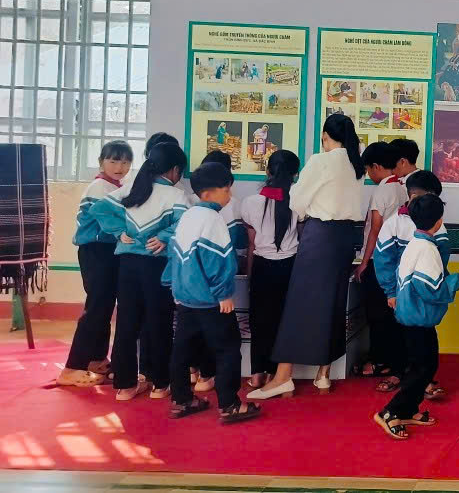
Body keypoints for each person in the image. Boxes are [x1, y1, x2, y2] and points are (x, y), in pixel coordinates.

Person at [249, 113, 367, 400]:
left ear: (325, 135)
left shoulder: (320, 160)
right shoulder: (356, 165)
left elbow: (297, 201)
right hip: (345, 238)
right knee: (333, 304)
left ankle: (282, 378)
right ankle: (323, 375)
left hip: (321, 236)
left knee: (299, 304)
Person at [164, 162, 262, 424]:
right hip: (211, 301)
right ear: (208, 193)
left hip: (185, 299)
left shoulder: (187, 217)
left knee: (182, 351)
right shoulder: (213, 219)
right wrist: (223, 294)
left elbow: (173, 256)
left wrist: (175, 288)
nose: (230, 196)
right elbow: (218, 261)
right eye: (226, 190)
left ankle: (182, 400)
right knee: (227, 349)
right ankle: (230, 405)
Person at [89, 142, 189, 401]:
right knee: (159, 323)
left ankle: (125, 386)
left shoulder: (132, 187)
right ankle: (160, 385)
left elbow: (97, 209)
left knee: (127, 323)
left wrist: (120, 232)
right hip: (157, 265)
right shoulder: (176, 195)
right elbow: (186, 224)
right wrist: (165, 236)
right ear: (175, 170)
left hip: (127, 264)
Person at [372, 194, 459, 439]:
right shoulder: (428, 249)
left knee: (424, 365)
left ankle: (408, 410)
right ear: (439, 221)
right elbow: (431, 289)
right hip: (418, 317)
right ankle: (391, 412)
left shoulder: (415, 243)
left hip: (412, 315)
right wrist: (457, 281)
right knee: (423, 368)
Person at [57, 140, 134, 387]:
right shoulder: (100, 187)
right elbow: (110, 220)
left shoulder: (114, 186)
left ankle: (96, 360)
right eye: (113, 161)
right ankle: (72, 367)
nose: (119, 167)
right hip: (96, 251)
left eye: (125, 162)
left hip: (106, 251)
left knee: (104, 306)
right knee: (97, 307)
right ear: (102, 162)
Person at [374, 169, 450, 402]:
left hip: (424, 298)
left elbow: (441, 262)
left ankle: (424, 380)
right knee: (398, 334)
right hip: (400, 294)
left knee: (425, 338)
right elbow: (383, 260)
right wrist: (391, 292)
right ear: (415, 196)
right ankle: (399, 374)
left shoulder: (438, 227)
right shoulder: (393, 223)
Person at [240, 150, 301, 390]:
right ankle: (278, 375)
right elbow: (302, 238)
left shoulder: (250, 203)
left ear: (267, 171)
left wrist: (250, 275)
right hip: (290, 267)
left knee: (259, 321)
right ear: (295, 174)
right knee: (284, 321)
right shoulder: (299, 202)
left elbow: (251, 244)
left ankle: (257, 374)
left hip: (262, 266)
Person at [356, 142, 409, 392]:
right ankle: (394, 362)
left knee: (377, 315)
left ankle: (380, 361)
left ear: (376, 166)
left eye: (368, 169)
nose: (369, 174)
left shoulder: (382, 191)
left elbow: (374, 231)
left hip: (380, 260)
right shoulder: (402, 187)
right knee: (393, 315)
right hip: (399, 260)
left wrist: (364, 262)